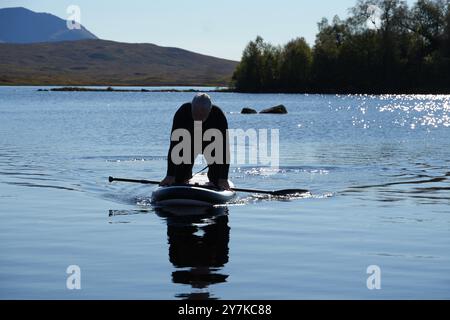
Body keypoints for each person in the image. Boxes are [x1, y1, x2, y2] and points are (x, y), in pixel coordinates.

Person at [160, 93, 230, 190]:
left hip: (211, 145)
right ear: (191, 107)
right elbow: (174, 145)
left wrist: (223, 178)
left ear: (210, 110)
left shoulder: (218, 115)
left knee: (216, 180)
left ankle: (216, 179)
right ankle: (184, 176)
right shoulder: (182, 112)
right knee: (179, 178)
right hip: (189, 144)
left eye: (202, 115)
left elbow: (224, 149)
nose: (198, 118)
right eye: (195, 114)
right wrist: (170, 175)